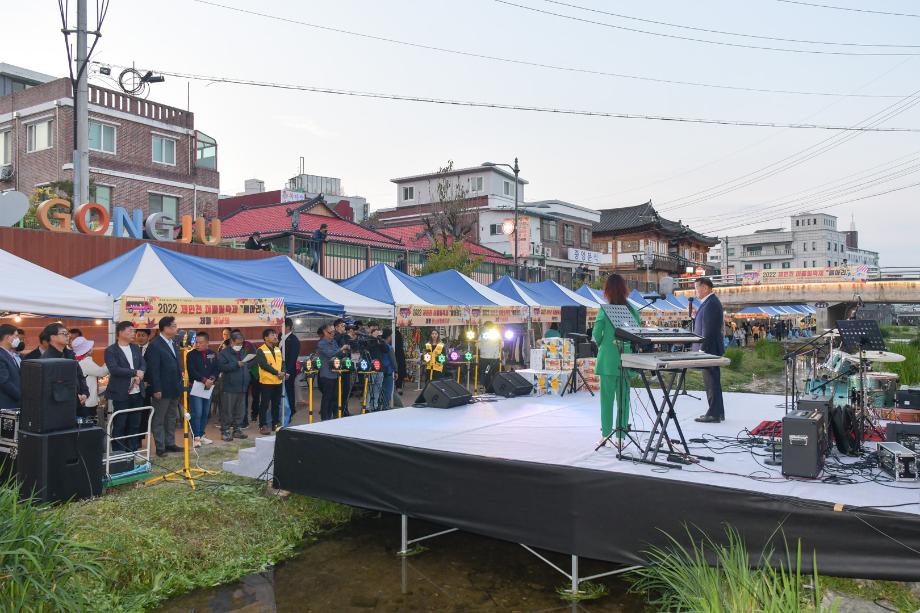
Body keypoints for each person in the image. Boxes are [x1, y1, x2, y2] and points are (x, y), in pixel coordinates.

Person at [592, 274, 640, 444]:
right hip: (626, 359)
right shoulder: (633, 310)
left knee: (606, 400)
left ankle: (605, 435)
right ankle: (621, 436)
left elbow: (596, 334)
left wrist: (603, 345)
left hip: (607, 360)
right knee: (624, 400)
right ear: (624, 289)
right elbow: (637, 335)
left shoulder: (604, 310)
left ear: (607, 291)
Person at [104, 322, 147, 453]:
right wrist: (134, 373)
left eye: (133, 331)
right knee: (120, 423)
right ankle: (119, 451)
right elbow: (114, 369)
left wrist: (140, 374)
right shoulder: (111, 350)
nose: (133, 334)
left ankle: (132, 449)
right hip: (121, 392)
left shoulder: (135, 348)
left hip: (137, 391)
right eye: (130, 331)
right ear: (120, 332)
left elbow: (143, 364)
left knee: (135, 423)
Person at [144, 317, 183, 456]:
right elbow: (153, 369)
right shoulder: (155, 345)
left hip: (174, 387)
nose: (176, 328)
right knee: (159, 418)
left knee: (171, 417)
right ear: (165, 328)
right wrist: (156, 388)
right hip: (162, 388)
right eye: (173, 326)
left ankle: (170, 443)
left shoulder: (173, 343)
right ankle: (160, 447)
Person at [692, 277, 726, 423]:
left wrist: (702, 348)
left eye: (696, 288)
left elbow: (709, 329)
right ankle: (718, 412)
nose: (695, 291)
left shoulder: (711, 303)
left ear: (705, 288)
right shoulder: (709, 302)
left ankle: (713, 414)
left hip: (709, 348)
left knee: (711, 382)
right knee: (713, 382)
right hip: (710, 347)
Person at [216, 330, 251, 442]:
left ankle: (237, 429)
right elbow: (221, 367)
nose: (239, 346)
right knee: (227, 410)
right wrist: (236, 364)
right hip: (229, 386)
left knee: (240, 410)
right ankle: (225, 431)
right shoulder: (224, 353)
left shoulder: (243, 352)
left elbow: (247, 365)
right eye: (237, 344)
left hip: (242, 386)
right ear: (231, 342)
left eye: (241, 344)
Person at [186, 331, 217, 447]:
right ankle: (196, 437)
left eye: (201, 342)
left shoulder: (212, 354)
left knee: (205, 412)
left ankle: (202, 434)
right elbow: (192, 371)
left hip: (209, 386)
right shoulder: (191, 355)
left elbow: (216, 368)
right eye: (196, 342)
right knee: (197, 412)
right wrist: (204, 380)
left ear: (207, 342)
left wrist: (212, 379)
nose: (197, 345)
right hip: (196, 387)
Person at [256, 329, 287, 434]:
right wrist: (277, 373)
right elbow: (263, 365)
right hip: (266, 382)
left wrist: (283, 372)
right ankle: (263, 425)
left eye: (275, 334)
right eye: (272, 335)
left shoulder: (278, 349)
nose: (275, 336)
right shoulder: (260, 350)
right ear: (265, 338)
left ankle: (275, 424)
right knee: (264, 405)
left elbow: (282, 363)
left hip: (278, 382)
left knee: (276, 404)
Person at [72, 336, 108, 423]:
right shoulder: (86, 362)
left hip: (82, 401)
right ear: (86, 350)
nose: (92, 348)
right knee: (89, 424)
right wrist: (109, 361)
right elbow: (102, 372)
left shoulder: (77, 360)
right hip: (88, 402)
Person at [316, 323, 347, 421]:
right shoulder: (321, 343)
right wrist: (341, 349)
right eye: (331, 332)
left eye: (333, 331)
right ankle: (325, 418)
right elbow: (331, 354)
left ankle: (334, 417)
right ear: (325, 332)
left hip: (335, 373)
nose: (333, 333)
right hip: (326, 374)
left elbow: (338, 354)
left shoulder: (333, 342)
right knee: (327, 398)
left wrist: (344, 351)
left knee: (335, 397)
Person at [282, 317, 300, 424]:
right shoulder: (280, 337)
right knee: (283, 391)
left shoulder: (293, 340)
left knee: (289, 391)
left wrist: (288, 371)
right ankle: (284, 410)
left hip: (289, 370)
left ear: (287, 327)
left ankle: (291, 411)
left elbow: (293, 357)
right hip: (281, 370)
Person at [0, 324, 22, 409]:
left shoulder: (9, 354)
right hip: (6, 404)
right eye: (16, 336)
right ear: (8, 338)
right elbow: (4, 381)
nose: (18, 339)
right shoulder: (1, 355)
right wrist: (20, 396)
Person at [365, 324, 385, 412]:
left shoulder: (380, 341)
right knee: (370, 388)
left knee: (377, 387)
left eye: (378, 331)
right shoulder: (368, 340)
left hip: (380, 368)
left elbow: (386, 350)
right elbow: (368, 348)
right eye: (375, 332)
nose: (378, 333)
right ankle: (367, 407)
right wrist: (374, 339)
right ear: (372, 333)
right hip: (371, 368)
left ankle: (375, 405)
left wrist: (380, 341)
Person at [378, 328, 398, 411]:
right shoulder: (389, 347)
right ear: (389, 337)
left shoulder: (378, 345)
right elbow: (393, 361)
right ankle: (385, 406)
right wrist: (396, 371)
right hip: (388, 371)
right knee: (388, 390)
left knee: (379, 389)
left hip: (379, 370)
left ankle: (378, 406)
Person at [478, 323, 501, 391]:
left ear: (485, 326)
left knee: (486, 373)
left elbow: (478, 345)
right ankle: (495, 388)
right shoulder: (497, 334)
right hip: (495, 357)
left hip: (484, 357)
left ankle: (489, 389)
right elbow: (502, 345)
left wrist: (482, 349)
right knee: (495, 373)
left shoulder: (482, 334)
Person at [394, 328, 406, 394]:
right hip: (398, 355)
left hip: (398, 355)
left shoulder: (397, 334)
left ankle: (398, 387)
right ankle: (399, 387)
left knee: (399, 370)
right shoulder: (398, 334)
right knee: (399, 370)